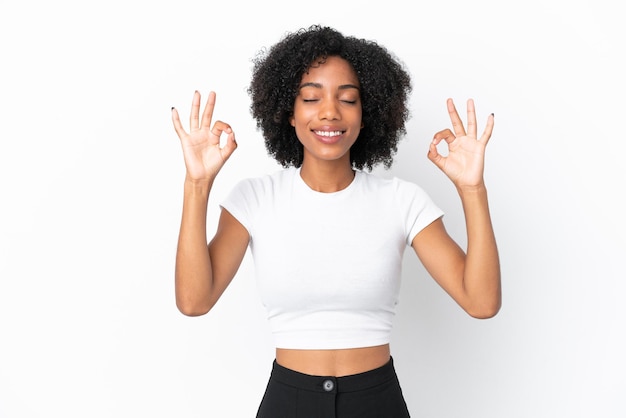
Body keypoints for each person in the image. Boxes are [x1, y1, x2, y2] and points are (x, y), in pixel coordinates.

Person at [171, 25, 501, 418]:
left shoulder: (400, 201)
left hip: (376, 401)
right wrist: (197, 184)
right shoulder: (255, 199)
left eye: (347, 99)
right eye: (311, 97)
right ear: (287, 114)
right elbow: (193, 301)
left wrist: (472, 189)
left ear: (367, 115)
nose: (329, 111)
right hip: (288, 401)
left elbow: (481, 302)